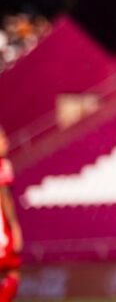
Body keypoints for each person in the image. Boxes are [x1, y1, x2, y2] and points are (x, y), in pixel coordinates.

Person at [0, 127, 22, 302]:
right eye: (2, 137)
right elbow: (5, 198)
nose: (6, 141)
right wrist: (15, 228)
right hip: (1, 232)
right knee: (12, 272)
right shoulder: (2, 164)